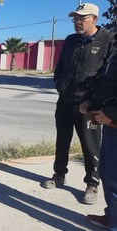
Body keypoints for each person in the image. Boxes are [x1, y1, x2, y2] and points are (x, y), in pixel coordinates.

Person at [41, 3, 114, 205]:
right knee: (62, 140)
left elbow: (107, 75)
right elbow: (60, 67)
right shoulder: (71, 40)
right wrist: (59, 84)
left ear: (94, 19)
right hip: (65, 101)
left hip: (89, 104)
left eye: (82, 18)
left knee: (90, 145)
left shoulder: (107, 40)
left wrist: (93, 97)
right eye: (75, 19)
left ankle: (92, 183)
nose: (77, 22)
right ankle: (59, 175)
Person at [83, 38, 117, 229]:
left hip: (113, 120)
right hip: (111, 126)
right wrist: (91, 100)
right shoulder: (114, 51)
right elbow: (106, 83)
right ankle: (112, 216)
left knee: (115, 180)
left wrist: (112, 113)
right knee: (108, 173)